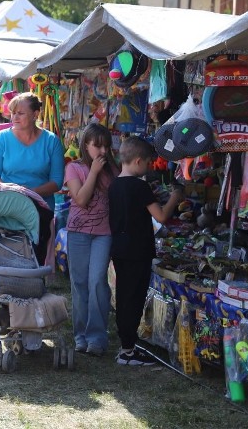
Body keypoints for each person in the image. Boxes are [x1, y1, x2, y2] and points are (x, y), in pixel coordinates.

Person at [108, 137, 182, 366]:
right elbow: (160, 216)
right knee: (135, 297)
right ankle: (128, 351)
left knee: (124, 296)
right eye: (149, 163)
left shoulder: (114, 184)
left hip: (119, 248)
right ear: (138, 161)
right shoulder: (140, 187)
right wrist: (175, 198)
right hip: (137, 250)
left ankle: (126, 345)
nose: (150, 167)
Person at [0, 91, 64, 264]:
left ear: (35, 114)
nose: (15, 116)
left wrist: (31, 193)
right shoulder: (1, 139)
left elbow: (57, 182)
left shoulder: (51, 141)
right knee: (10, 256)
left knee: (37, 257)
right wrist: (10, 192)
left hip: (41, 208)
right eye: (13, 112)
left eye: (20, 113)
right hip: (8, 206)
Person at [63, 124, 119, 356]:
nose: (102, 150)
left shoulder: (114, 171)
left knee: (97, 281)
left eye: (106, 145)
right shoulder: (74, 168)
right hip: (78, 232)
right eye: (97, 145)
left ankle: (97, 336)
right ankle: (80, 335)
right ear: (86, 145)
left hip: (104, 233)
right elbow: (82, 199)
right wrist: (94, 172)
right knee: (79, 283)